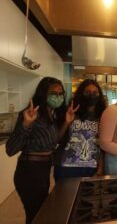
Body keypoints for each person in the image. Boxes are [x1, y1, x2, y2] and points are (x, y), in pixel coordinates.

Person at [6, 77, 78, 224]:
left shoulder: (51, 114)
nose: (57, 97)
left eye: (60, 93)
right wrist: (26, 124)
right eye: (53, 93)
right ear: (43, 93)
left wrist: (66, 122)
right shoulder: (31, 114)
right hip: (29, 171)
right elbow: (11, 149)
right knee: (36, 215)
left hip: (43, 169)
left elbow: (54, 140)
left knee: (40, 213)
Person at [54, 79, 107, 180]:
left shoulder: (103, 116)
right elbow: (57, 139)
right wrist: (66, 122)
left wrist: (100, 168)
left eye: (95, 92)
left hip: (91, 166)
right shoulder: (70, 112)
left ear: (100, 95)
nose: (91, 95)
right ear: (81, 94)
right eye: (87, 92)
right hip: (66, 166)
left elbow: (103, 147)